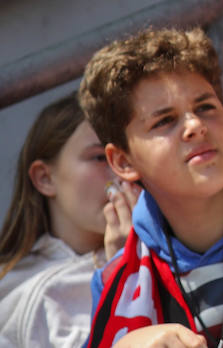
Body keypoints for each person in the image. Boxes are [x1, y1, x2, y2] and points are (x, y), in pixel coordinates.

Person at [80, 27, 223, 348]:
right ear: (123, 162)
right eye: (164, 121)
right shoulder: (118, 286)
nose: (195, 126)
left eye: (205, 107)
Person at [0, 93, 136, 348]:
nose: (121, 176)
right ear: (44, 178)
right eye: (99, 157)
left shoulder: (169, 251)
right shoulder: (20, 289)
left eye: (127, 159)